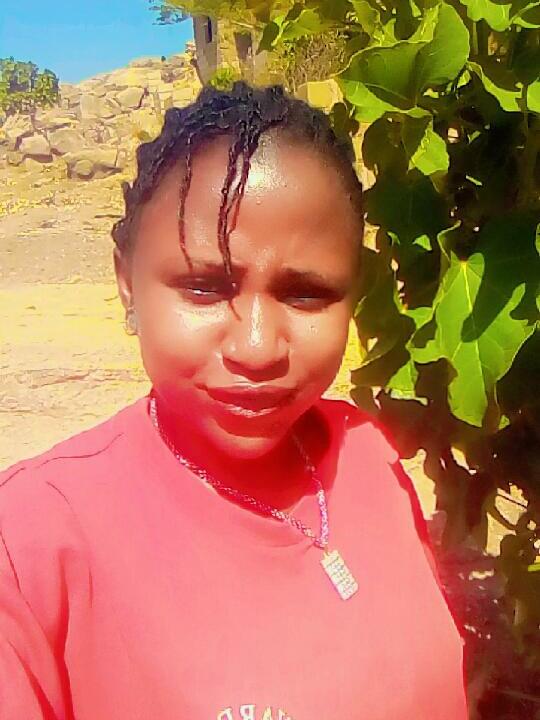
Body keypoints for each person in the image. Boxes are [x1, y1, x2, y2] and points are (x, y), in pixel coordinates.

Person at [0, 82, 467, 720]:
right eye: (205, 287)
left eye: (306, 294)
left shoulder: (367, 458)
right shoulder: (32, 540)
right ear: (127, 283)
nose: (256, 348)